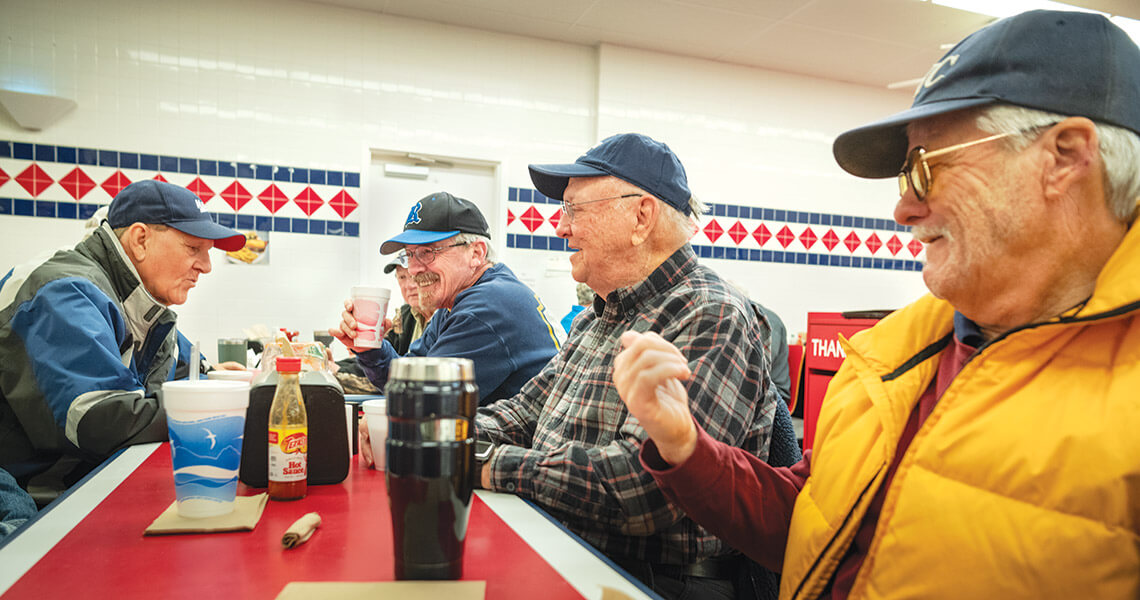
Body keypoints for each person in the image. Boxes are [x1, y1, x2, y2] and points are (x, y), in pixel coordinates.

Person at [614, 10, 1140, 599]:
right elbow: (819, 527)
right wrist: (686, 447)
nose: (904, 209)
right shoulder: (892, 351)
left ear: (1065, 157)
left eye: (927, 167)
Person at [474, 133, 782, 600]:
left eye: (574, 209)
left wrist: (486, 463)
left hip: (658, 580)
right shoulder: (598, 320)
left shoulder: (711, 314)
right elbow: (520, 415)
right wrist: (440, 434)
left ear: (641, 216)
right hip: (573, 549)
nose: (561, 227)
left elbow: (644, 490)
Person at [0, 180, 245, 503]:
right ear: (140, 239)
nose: (206, 266)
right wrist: (231, 403)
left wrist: (219, 379)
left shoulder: (146, 309)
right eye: (193, 248)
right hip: (35, 500)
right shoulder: (64, 291)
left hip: (82, 487)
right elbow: (100, 421)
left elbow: (188, 374)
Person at [332, 192, 559, 407]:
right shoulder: (453, 304)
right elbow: (406, 375)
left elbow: (420, 402)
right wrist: (369, 346)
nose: (412, 269)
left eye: (427, 252)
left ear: (476, 254)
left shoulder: (485, 307)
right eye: (409, 255)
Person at [381, 254, 435, 355]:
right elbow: (384, 357)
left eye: (414, 276)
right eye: (402, 277)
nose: (409, 285)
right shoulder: (405, 314)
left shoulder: (446, 315)